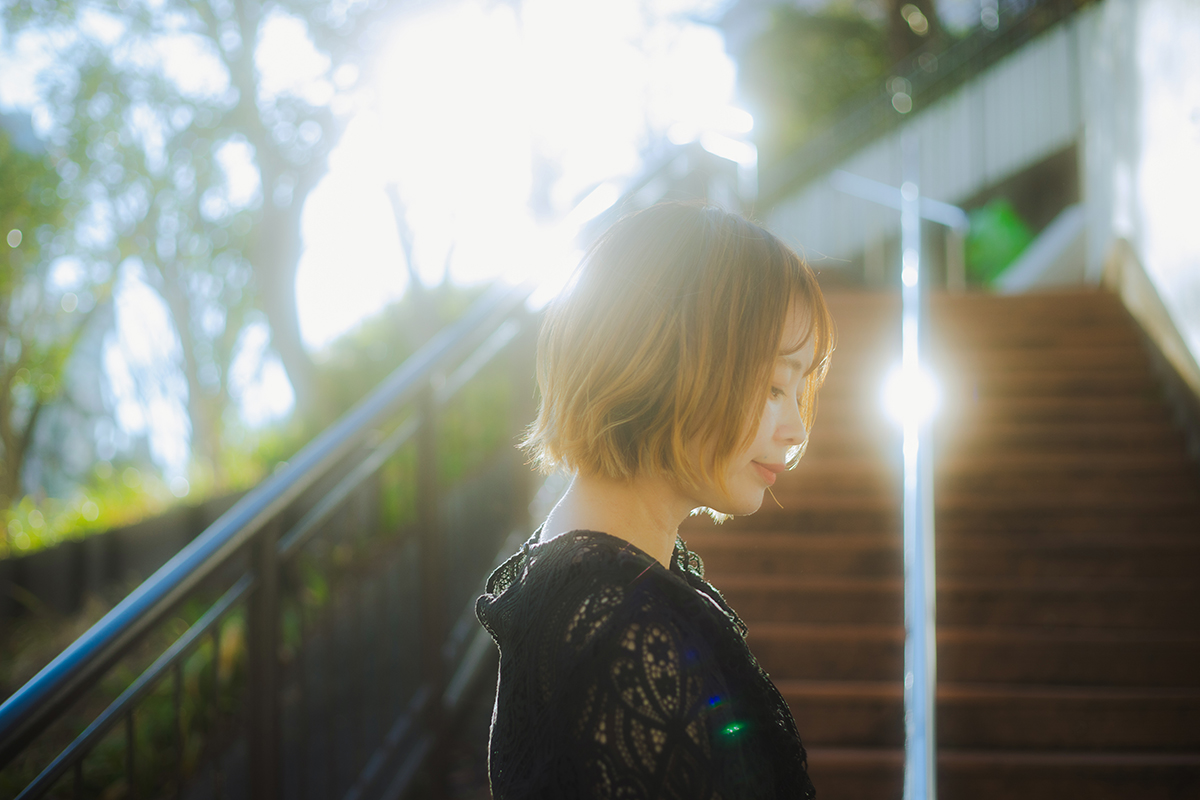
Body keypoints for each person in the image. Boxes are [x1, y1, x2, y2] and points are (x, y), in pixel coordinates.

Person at [476, 202, 834, 799]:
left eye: (801, 389)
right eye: (775, 386)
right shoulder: (626, 632)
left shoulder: (593, 585)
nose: (797, 429)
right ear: (663, 362)